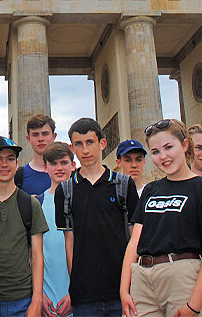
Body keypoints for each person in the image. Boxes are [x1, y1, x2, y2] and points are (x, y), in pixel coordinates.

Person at [54, 117, 139, 317]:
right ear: (72, 147)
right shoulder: (65, 191)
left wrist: (130, 284)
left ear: (102, 143)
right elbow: (69, 241)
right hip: (85, 296)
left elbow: (134, 236)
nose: (85, 150)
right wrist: (75, 287)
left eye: (90, 142)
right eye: (79, 144)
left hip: (122, 290)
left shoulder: (124, 185)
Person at [120, 119, 202, 317]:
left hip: (182, 277)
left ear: (184, 144)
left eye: (168, 147)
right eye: (156, 152)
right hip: (142, 278)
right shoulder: (150, 189)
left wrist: (194, 305)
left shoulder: (199, 187)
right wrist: (124, 289)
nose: (163, 156)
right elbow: (135, 242)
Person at [0, 135, 48, 317]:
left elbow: (37, 255)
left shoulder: (30, 204)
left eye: (10, 159)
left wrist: (36, 301)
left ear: (17, 163)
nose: (4, 164)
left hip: (23, 301)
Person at [41, 142, 75, 317]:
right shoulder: (36, 204)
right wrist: (39, 295)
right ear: (45, 167)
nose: (59, 168)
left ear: (73, 165)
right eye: (53, 163)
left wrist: (76, 293)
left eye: (64, 162)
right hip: (47, 301)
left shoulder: (85, 201)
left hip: (80, 299)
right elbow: (31, 255)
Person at [15, 114, 56, 197]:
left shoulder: (68, 173)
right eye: (35, 134)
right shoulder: (18, 176)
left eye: (45, 133)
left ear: (54, 136)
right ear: (28, 139)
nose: (40, 139)